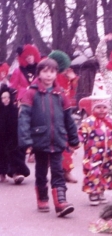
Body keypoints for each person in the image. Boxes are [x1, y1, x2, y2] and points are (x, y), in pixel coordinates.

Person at [18, 58, 79, 217]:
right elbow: (24, 118)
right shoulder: (31, 93)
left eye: (52, 72)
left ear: (56, 74)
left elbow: (68, 119)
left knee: (58, 171)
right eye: (45, 71)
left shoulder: (61, 95)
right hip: (39, 140)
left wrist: (73, 138)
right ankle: (42, 197)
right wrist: (26, 141)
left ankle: (61, 203)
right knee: (41, 171)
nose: (48, 75)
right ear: (39, 74)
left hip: (58, 139)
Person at [78, 74, 112, 206]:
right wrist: (75, 142)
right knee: (94, 171)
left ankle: (101, 191)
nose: (102, 110)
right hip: (94, 154)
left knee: (106, 171)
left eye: (104, 107)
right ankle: (93, 192)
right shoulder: (88, 122)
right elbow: (81, 133)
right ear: (93, 108)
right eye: (98, 107)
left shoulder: (111, 120)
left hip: (110, 154)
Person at [48, 50, 79, 183]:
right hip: (52, 115)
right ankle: (60, 171)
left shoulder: (66, 77)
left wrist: (72, 80)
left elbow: (71, 93)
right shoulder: (55, 78)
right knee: (56, 145)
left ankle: (65, 171)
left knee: (66, 144)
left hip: (65, 114)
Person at [10, 44, 41, 163]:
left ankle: (34, 151)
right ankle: (25, 149)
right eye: (26, 56)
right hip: (23, 101)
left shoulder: (40, 69)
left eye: (31, 55)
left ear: (35, 55)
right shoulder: (18, 71)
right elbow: (12, 86)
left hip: (37, 99)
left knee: (37, 125)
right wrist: (15, 97)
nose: (29, 58)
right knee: (24, 125)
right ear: (23, 58)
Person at [0, 64, 30, 184]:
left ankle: (16, 173)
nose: (5, 100)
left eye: (7, 98)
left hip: (13, 136)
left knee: (14, 152)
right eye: (3, 98)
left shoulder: (14, 110)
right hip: (1, 135)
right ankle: (2, 172)